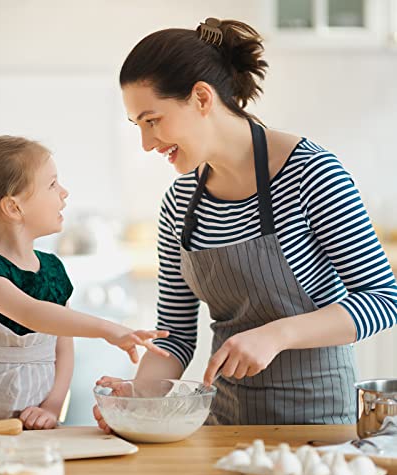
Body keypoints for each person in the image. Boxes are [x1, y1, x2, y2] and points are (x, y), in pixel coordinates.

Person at [94, 18, 397, 428]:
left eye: (153, 121)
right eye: (139, 127)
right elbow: (176, 336)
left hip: (320, 423)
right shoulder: (180, 202)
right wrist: (139, 395)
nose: (147, 144)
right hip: (227, 422)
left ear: (201, 98)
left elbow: (381, 300)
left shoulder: (312, 173)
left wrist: (277, 335)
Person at [0, 135, 169, 429]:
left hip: (32, 418)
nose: (63, 193)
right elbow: (32, 314)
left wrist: (52, 407)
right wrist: (108, 329)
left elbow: (63, 346)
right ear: (13, 207)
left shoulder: (52, 268)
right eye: (52, 184)